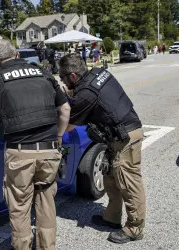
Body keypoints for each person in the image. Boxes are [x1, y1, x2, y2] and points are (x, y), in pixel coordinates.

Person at [0, 39, 71, 250]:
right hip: (50, 150)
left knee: (20, 208)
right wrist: (58, 137)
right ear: (16, 55)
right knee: (46, 205)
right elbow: (65, 110)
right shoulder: (43, 73)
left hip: (20, 154)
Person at [58, 53, 146, 244]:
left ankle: (135, 228)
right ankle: (112, 218)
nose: (62, 81)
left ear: (72, 76)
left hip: (126, 138)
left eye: (63, 77)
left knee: (129, 183)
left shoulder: (85, 94)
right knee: (111, 179)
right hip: (119, 134)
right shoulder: (98, 73)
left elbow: (69, 126)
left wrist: (65, 98)